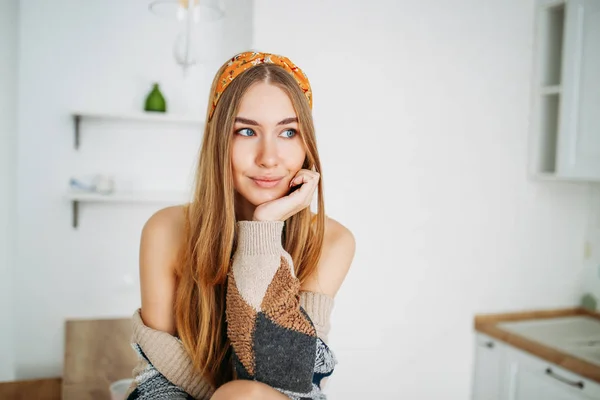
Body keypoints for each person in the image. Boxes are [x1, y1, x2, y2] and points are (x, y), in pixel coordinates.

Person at [124, 51, 355, 400]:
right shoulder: (165, 229)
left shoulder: (331, 241)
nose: (269, 156)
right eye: (246, 131)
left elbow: (281, 378)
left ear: (306, 142)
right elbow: (159, 375)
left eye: (288, 132)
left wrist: (263, 229)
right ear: (219, 140)